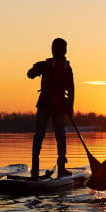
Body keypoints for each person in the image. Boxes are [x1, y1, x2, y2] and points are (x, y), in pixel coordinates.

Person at [27, 38, 74, 179]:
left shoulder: (45, 65)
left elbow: (29, 74)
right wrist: (70, 107)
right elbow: (72, 90)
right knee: (60, 136)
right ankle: (62, 168)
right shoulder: (67, 67)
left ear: (53, 50)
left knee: (39, 134)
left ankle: (35, 167)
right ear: (64, 50)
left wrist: (36, 68)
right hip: (59, 107)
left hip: (44, 105)